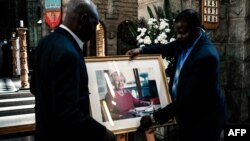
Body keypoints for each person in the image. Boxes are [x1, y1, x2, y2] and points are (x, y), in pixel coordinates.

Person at [126, 9, 226, 141]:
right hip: (187, 113)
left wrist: (153, 118)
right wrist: (141, 50)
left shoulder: (206, 57)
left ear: (196, 30)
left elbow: (188, 99)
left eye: (183, 33)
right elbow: (167, 48)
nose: (178, 36)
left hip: (204, 117)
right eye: (177, 32)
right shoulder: (186, 40)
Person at [30, 0, 115, 141]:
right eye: (94, 24)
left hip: (44, 132)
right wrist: (103, 133)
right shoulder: (68, 53)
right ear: (83, 19)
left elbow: (34, 87)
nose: (94, 31)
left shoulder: (46, 42)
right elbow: (67, 112)